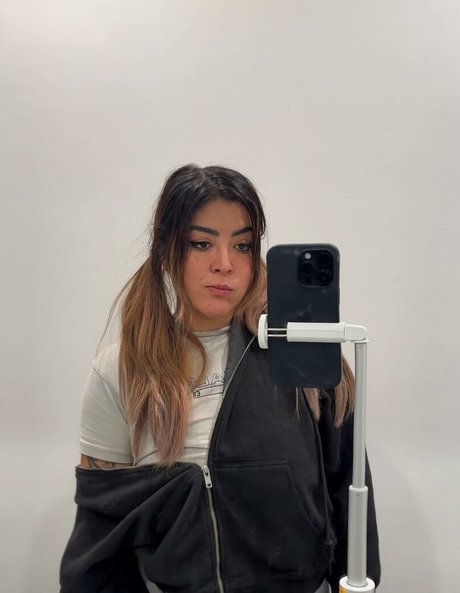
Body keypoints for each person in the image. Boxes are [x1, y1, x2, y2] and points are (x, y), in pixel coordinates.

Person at [60, 164, 380, 593]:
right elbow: (101, 533)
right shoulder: (121, 370)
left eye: (242, 245)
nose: (225, 265)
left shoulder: (304, 353)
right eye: (201, 243)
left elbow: (349, 493)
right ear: (166, 249)